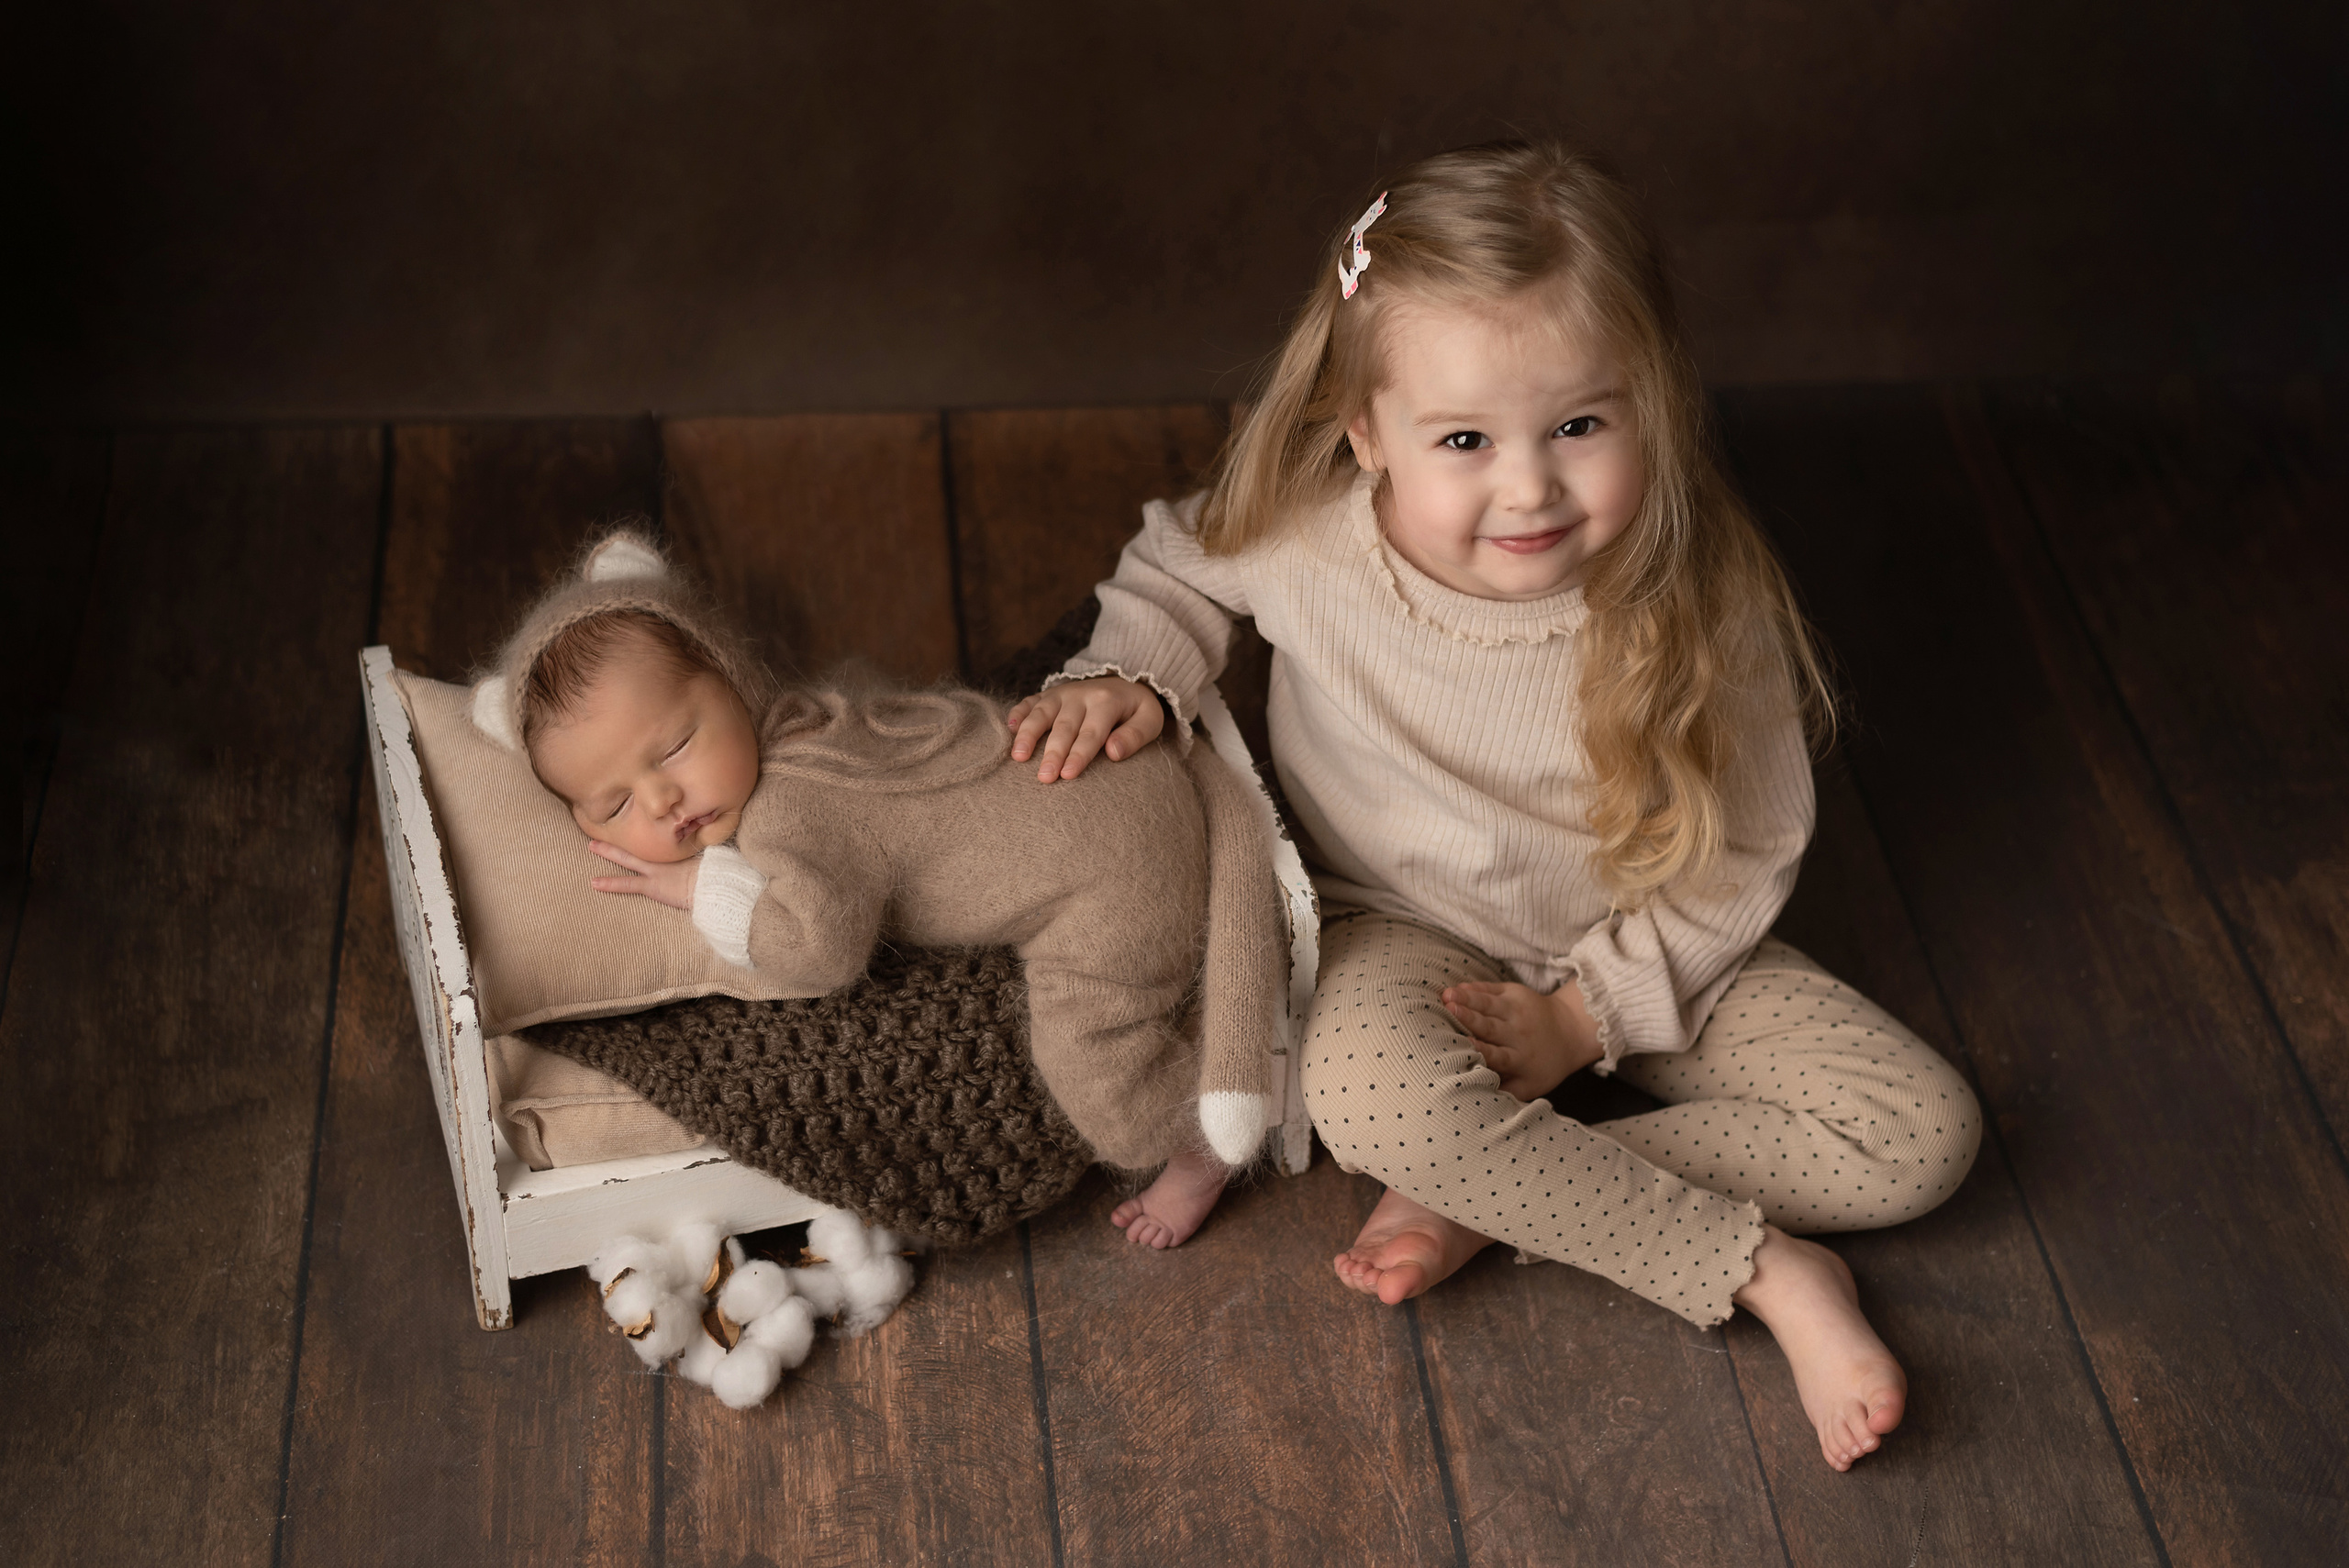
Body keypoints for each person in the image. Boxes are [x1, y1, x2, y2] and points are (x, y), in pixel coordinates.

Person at [1005, 141, 1981, 1471]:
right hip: (1403, 935)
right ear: (1366, 434)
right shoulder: (1312, 537)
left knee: (1920, 1136)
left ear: (1653, 402)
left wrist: (1590, 1018)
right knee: (1367, 1099)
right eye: (1463, 441)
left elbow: (1744, 847)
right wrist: (1133, 670)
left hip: (1652, 942)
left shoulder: (1697, 594)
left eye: (1582, 424)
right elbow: (1182, 564)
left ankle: (1496, 1186)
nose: (1528, 488)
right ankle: (1766, 1273)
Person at [473, 530, 1286, 1249]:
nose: (662, 802)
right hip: (1124, 775)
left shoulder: (788, 810)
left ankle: (1201, 1142)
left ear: (733, 678)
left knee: (1095, 1068)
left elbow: (819, 950)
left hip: (1107, 872)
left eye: (677, 745)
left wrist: (704, 890)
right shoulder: (818, 718)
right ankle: (1208, 1022)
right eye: (614, 804)